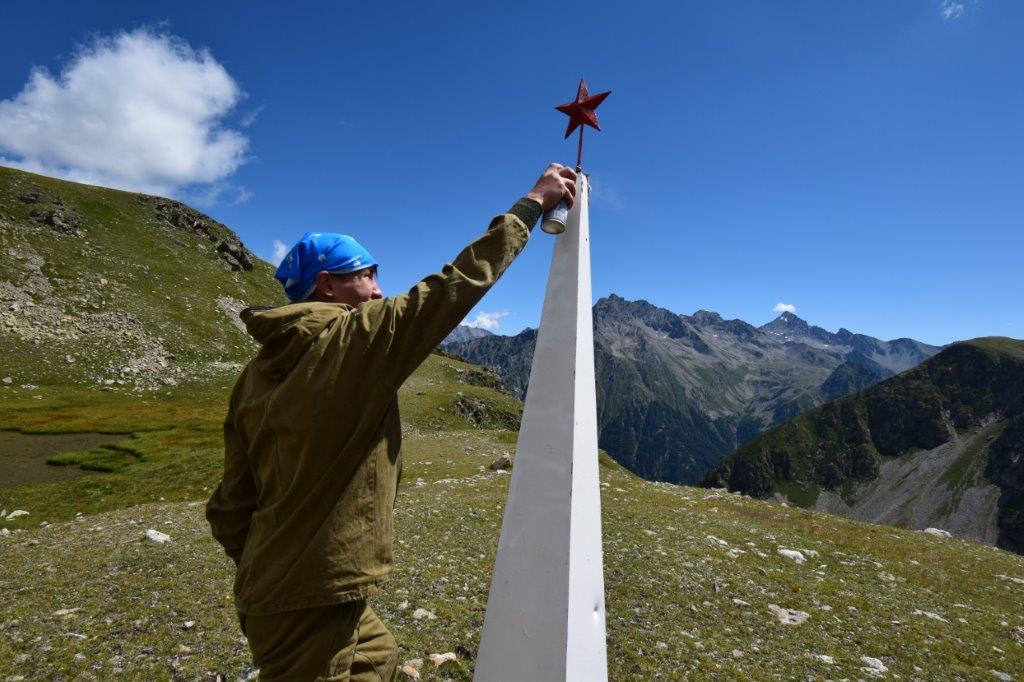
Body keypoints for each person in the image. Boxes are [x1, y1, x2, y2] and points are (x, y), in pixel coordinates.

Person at [206, 163, 577, 681]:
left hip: (275, 582)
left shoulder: (255, 373)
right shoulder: (355, 340)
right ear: (327, 285)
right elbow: (454, 287)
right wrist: (531, 205)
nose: (379, 290)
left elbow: (230, 503)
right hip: (308, 590)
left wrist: (266, 562)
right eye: (367, 275)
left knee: (375, 656)